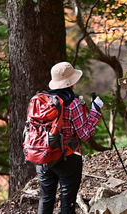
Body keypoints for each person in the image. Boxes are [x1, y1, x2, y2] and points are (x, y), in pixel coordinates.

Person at [36, 61, 103, 214]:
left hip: (43, 155)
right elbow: (84, 134)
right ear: (71, 82)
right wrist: (95, 111)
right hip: (68, 157)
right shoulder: (72, 104)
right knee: (67, 201)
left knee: (46, 199)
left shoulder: (40, 100)